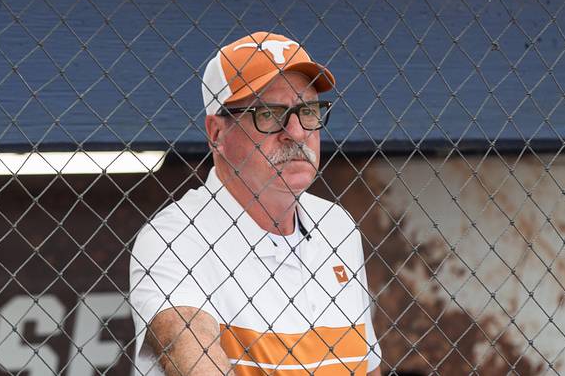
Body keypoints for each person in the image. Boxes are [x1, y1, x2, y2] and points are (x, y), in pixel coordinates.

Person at [129, 31, 382, 376]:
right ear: (217, 133)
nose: (295, 132)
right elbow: (192, 358)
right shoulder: (174, 237)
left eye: (307, 110)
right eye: (269, 114)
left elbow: (365, 368)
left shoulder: (337, 226)